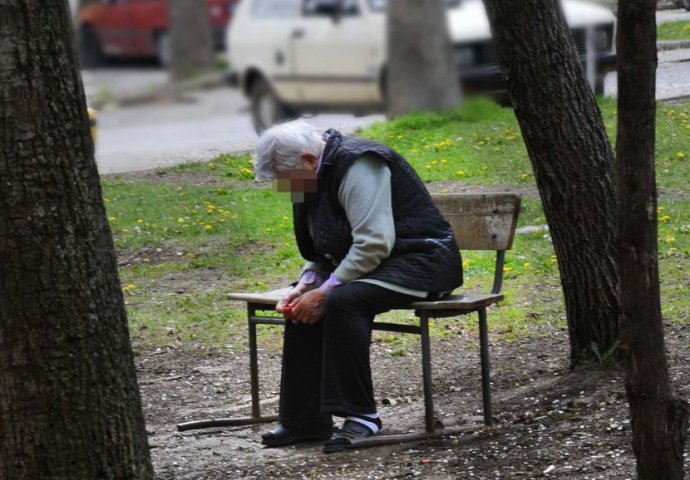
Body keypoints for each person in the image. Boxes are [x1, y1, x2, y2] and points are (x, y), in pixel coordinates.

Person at [253, 120, 463, 453]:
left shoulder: (360, 163)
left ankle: (362, 417)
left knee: (344, 301)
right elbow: (326, 243)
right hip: (378, 264)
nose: (282, 188)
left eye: (283, 178)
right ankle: (304, 421)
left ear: (308, 160)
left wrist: (326, 291)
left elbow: (374, 243)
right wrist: (309, 283)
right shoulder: (311, 175)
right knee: (304, 303)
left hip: (421, 261)